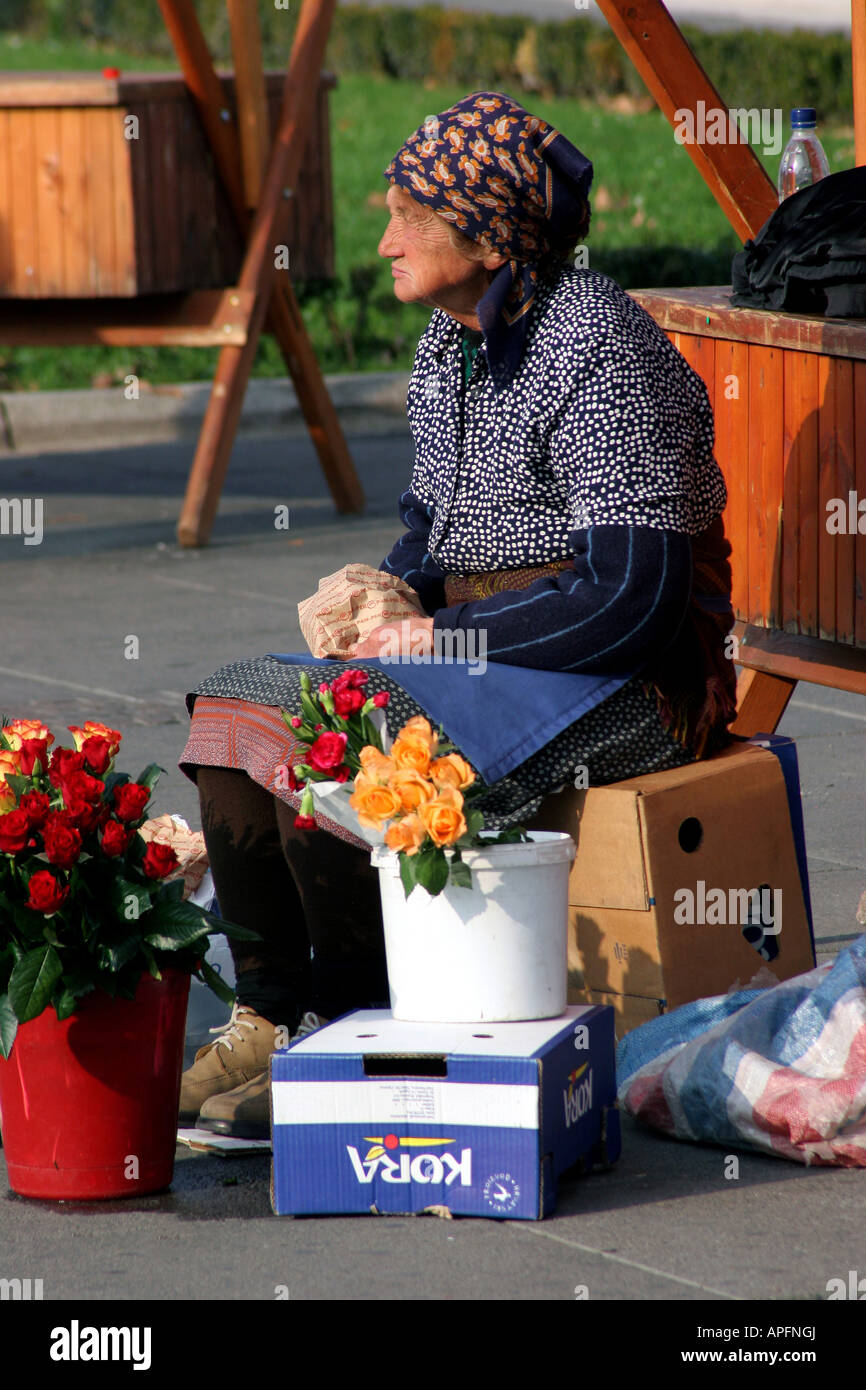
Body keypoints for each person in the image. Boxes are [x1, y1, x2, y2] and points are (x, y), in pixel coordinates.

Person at [177, 91, 737, 1138]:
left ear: (484, 234)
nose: (383, 241)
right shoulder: (451, 346)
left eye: (407, 219)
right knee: (237, 709)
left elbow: (631, 598)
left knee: (349, 726)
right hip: (493, 658)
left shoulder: (597, 349)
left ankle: (348, 1029)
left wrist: (439, 639)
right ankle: (269, 1013)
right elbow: (439, 534)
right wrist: (383, 594)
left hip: (629, 677)